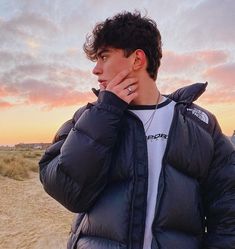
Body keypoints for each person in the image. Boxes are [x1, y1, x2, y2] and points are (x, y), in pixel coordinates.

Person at [39, 11, 235, 249]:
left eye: (104, 57)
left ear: (137, 60)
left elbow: (228, 211)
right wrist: (106, 111)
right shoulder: (88, 117)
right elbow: (66, 190)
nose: (95, 70)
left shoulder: (200, 124)